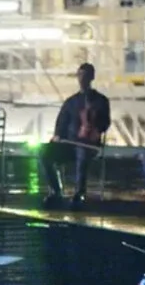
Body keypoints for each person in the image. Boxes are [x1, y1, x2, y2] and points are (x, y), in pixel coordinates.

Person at [41, 63, 110, 208]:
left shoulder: (101, 101)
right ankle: (55, 190)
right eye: (80, 75)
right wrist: (58, 135)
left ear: (91, 77)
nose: (82, 79)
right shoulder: (71, 102)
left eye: (85, 76)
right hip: (69, 143)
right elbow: (61, 122)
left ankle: (80, 193)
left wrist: (96, 130)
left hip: (89, 144)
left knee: (82, 153)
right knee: (45, 153)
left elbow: (105, 122)